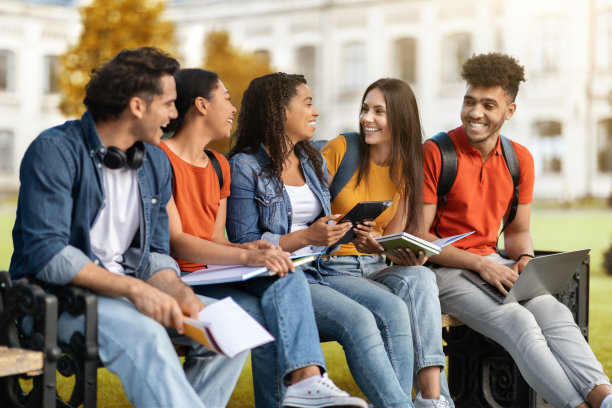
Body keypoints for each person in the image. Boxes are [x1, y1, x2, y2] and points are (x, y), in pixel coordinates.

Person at [9, 47, 245, 408]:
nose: (173, 113)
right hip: (56, 303)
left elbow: (154, 253)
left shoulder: (153, 162)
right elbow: (48, 254)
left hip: (126, 297)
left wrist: (178, 292)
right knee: (147, 335)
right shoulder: (54, 150)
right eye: (168, 103)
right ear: (137, 106)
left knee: (229, 334)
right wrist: (135, 290)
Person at [160, 67, 366, 408]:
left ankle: (306, 381)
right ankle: (302, 384)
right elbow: (177, 241)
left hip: (213, 275)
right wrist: (246, 256)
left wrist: (250, 247)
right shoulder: (161, 159)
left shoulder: (217, 165)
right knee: (263, 311)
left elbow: (214, 239)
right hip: (178, 278)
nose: (233, 109)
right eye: (226, 100)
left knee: (283, 276)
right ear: (201, 105)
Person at [420, 52, 612, 408]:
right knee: (518, 323)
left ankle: (604, 398)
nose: (475, 113)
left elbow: (519, 230)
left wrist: (523, 257)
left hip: (494, 265)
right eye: (469, 101)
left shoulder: (519, 159)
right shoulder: (435, 152)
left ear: (509, 111)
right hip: (441, 270)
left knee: (555, 313)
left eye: (488, 105)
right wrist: (480, 264)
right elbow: (420, 239)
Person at [227, 72, 422, 408]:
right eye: (308, 103)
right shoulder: (244, 167)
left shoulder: (310, 160)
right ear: (280, 112)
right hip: (281, 276)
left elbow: (322, 231)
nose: (315, 112)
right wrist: (308, 235)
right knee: (359, 320)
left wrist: (349, 232)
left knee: (392, 307)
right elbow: (247, 243)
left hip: (318, 268)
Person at [320, 77, 452, 408]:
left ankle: (431, 399)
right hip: (333, 269)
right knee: (394, 309)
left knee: (422, 276)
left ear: (400, 119)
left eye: (379, 111)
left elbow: (390, 236)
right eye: (365, 109)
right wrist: (341, 230)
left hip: (374, 267)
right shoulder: (340, 149)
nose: (367, 118)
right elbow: (307, 215)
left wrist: (392, 248)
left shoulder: (406, 169)